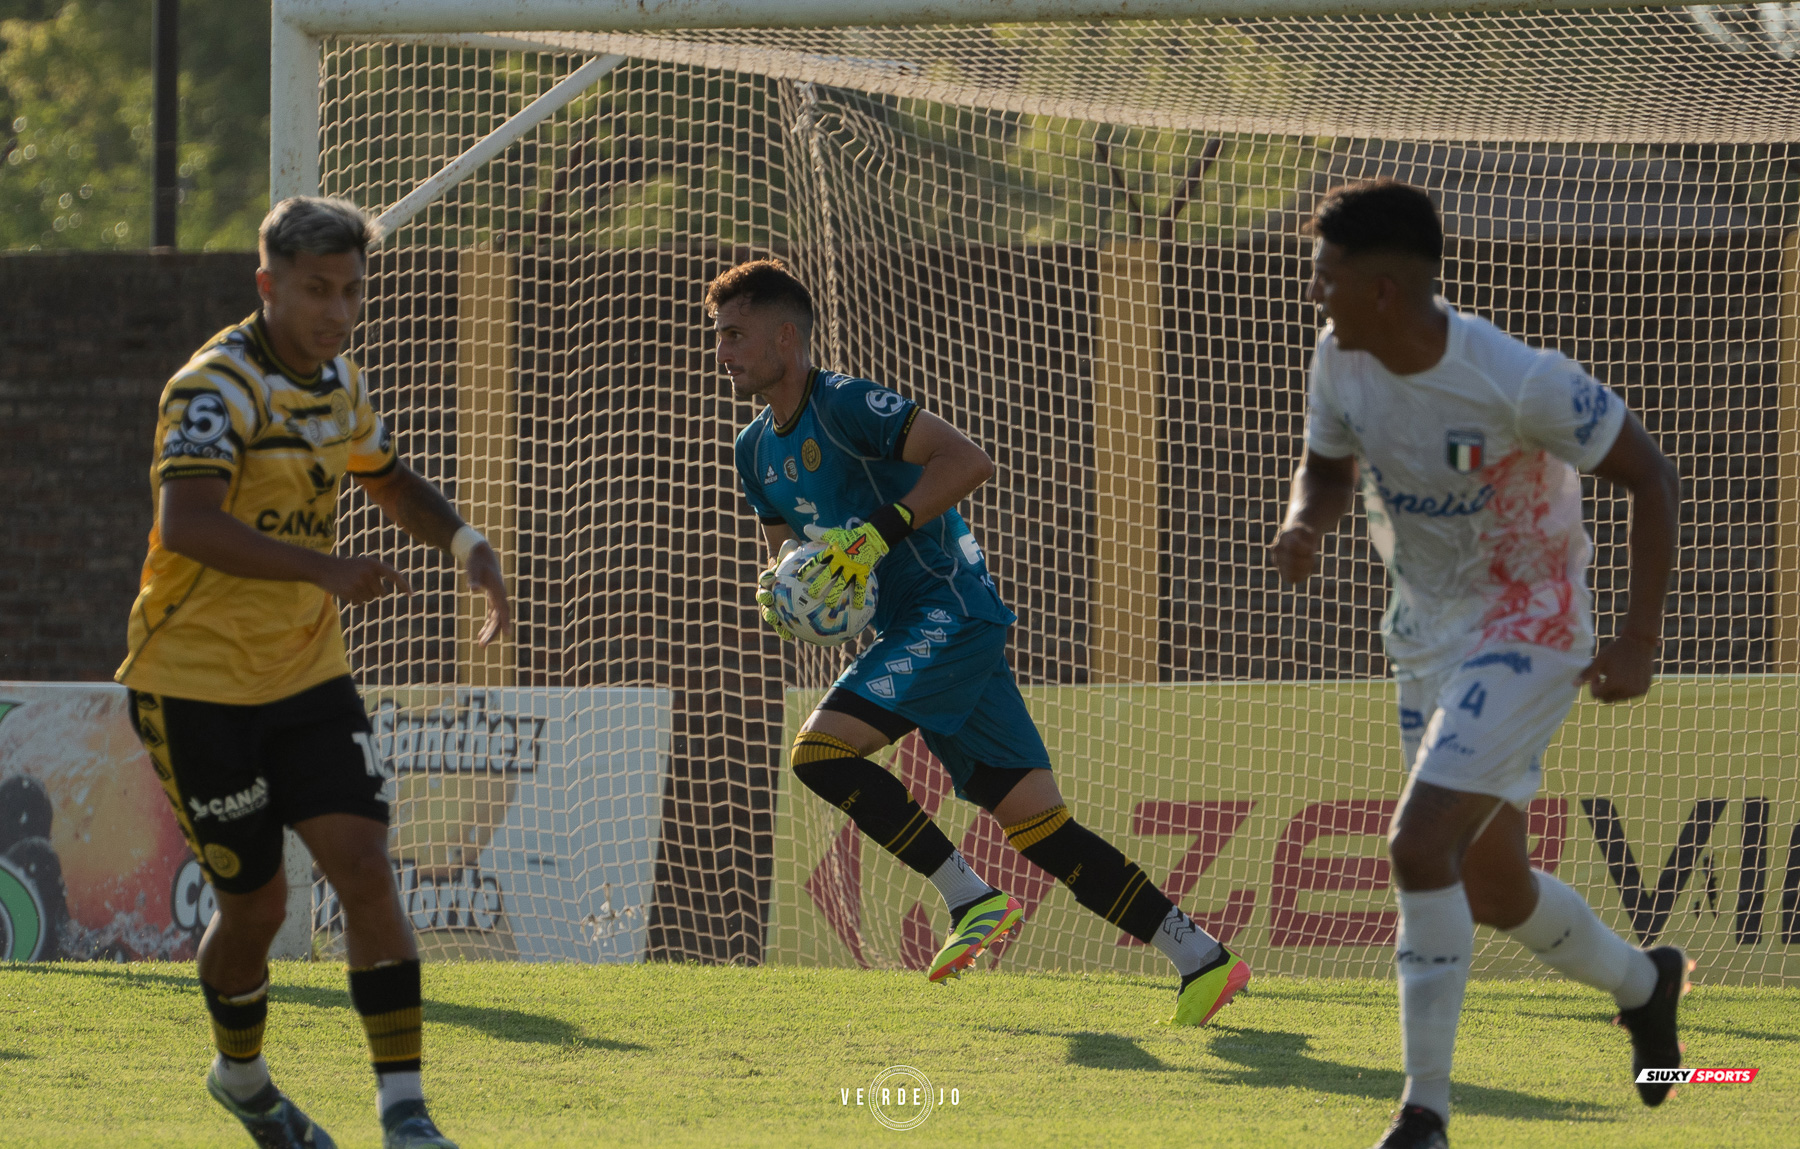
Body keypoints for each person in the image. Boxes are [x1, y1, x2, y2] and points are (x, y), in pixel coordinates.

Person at [715, 258, 1250, 1023]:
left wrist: (878, 534)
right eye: (720, 337)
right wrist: (786, 594)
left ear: (786, 336)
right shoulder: (751, 451)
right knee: (1043, 828)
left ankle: (969, 896)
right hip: (917, 629)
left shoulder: (846, 406)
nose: (724, 353)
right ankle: (1201, 957)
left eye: (736, 335)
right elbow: (789, 558)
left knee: (819, 754)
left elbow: (968, 460)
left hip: (950, 610)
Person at [1270, 180, 1686, 1149]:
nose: (1311, 293)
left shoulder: (1517, 379)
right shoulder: (1340, 358)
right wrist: (1305, 522)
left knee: (1417, 846)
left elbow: (1651, 476)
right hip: (1424, 636)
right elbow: (1327, 468)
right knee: (1492, 889)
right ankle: (1644, 983)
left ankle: (1425, 1112)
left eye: (1324, 277)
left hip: (1530, 627)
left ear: (1380, 289)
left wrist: (1638, 637)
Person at [117, 196, 511, 1149]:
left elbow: (385, 474)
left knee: (366, 870)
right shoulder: (214, 387)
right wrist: (328, 570)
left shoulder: (338, 380)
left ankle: (406, 1114)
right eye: (315, 290)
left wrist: (466, 541)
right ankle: (242, 1076)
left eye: (351, 290)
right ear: (269, 285)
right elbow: (190, 525)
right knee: (258, 906)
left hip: (304, 677)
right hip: (193, 683)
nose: (337, 311)